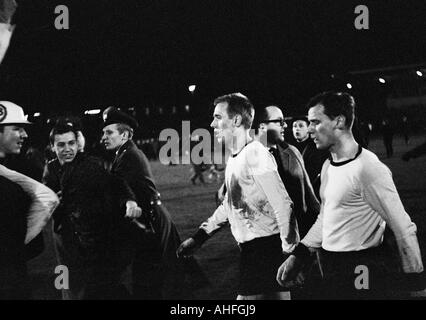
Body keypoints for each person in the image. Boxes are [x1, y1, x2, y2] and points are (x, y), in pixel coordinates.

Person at [277, 91, 425, 299]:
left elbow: (403, 228)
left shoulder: (368, 168)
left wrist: (417, 285)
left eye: (315, 122)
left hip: (361, 268)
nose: (309, 129)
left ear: (339, 121)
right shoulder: (329, 165)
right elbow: (327, 216)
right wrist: (299, 256)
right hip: (332, 266)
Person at [177, 93, 298, 300]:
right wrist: (199, 238)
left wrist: (290, 253)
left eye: (218, 117)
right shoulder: (237, 157)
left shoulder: (256, 154)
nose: (212, 123)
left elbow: (283, 205)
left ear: (236, 120)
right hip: (258, 249)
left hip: (264, 249)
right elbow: (229, 205)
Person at [101, 107, 195, 299]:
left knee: (152, 283)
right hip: (153, 219)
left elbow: (114, 191)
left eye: (109, 132)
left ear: (125, 134)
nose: (103, 137)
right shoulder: (126, 153)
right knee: (157, 280)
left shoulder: (128, 157)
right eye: (104, 132)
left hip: (151, 223)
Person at [44, 123, 142, 299]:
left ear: (77, 144)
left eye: (71, 143)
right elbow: (46, 201)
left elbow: (116, 184)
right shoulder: (50, 169)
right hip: (66, 242)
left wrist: (130, 202)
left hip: (93, 241)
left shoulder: (90, 165)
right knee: (72, 290)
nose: (67, 149)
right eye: (61, 144)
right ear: (52, 147)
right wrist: (52, 203)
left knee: (103, 286)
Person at [0, 101, 58, 299]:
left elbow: (49, 200)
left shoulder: (14, 169)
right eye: (17, 129)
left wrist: (15, 248)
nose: (24, 135)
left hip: (14, 270)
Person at [256, 106, 320, 239]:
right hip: (268, 238)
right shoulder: (248, 158)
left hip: (301, 231)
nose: (285, 125)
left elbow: (310, 196)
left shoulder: (292, 151)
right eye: (279, 121)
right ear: (262, 126)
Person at [292, 116, 328, 198]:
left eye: (301, 126)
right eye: (294, 126)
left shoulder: (316, 147)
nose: (297, 129)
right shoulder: (289, 148)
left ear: (308, 129)